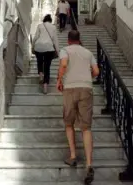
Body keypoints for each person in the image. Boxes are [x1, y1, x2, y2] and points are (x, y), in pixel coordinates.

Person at [56, 30, 99, 185]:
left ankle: (73, 156)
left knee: (69, 123)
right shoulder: (88, 53)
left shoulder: (65, 50)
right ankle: (89, 165)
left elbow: (64, 64)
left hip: (70, 88)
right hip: (86, 89)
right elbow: (96, 71)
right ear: (79, 40)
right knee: (86, 127)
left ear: (68, 40)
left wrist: (59, 80)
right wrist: (87, 78)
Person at [32, 14, 59, 94]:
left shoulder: (40, 26)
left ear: (44, 20)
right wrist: (57, 50)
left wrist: (33, 46)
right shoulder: (53, 27)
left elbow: (36, 37)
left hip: (39, 46)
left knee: (39, 61)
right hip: (49, 48)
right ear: (50, 20)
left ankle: (40, 74)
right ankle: (45, 87)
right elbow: (55, 40)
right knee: (47, 67)